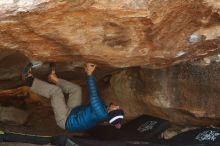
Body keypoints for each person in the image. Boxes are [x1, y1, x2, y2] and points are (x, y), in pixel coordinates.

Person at [22, 63, 124, 132]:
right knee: (76, 90)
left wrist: (89, 74)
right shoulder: (105, 111)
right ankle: (53, 78)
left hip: (65, 120)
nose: (118, 106)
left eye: (116, 109)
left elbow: (93, 96)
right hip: (74, 113)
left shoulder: (100, 112)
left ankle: (29, 80)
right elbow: (97, 94)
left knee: (56, 92)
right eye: (119, 108)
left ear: (111, 112)